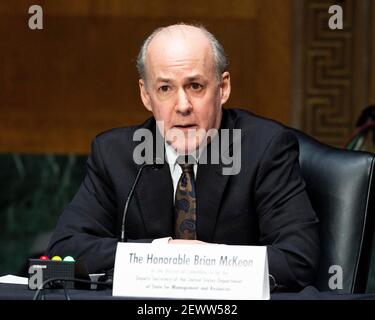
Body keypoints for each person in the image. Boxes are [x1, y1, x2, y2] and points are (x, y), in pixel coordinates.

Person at [47, 23, 319, 291]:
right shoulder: (115, 154)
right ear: (146, 95)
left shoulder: (265, 148)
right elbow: (67, 248)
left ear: (223, 88)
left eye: (196, 86)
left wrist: (199, 260)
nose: (183, 106)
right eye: (165, 88)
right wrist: (163, 252)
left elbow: (297, 259)